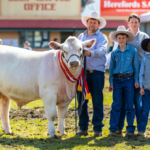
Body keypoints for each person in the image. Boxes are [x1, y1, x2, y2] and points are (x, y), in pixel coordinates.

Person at [113, 14, 149, 134]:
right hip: (126, 73)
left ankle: (140, 128)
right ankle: (119, 127)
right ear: (128, 23)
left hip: (140, 74)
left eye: (136, 22)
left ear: (139, 23)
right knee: (123, 102)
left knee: (137, 102)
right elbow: (115, 52)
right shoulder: (123, 36)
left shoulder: (144, 36)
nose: (134, 24)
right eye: (131, 22)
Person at [76, 11, 108, 137]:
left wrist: (90, 53)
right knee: (82, 101)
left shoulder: (102, 37)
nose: (92, 24)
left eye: (94, 22)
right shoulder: (80, 37)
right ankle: (83, 127)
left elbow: (102, 50)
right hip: (82, 74)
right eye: (90, 22)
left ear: (98, 25)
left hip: (97, 74)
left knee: (97, 101)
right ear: (87, 23)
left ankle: (97, 128)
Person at [109, 26, 139, 136]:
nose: (121, 40)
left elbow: (136, 67)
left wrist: (136, 80)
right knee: (116, 105)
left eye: (123, 38)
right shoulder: (114, 53)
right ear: (116, 39)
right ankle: (113, 128)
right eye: (119, 38)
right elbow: (111, 69)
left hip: (129, 80)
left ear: (126, 38)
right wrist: (111, 83)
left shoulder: (132, 51)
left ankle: (130, 129)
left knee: (129, 105)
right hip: (117, 80)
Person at [138, 38, 150, 137]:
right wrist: (141, 87)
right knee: (144, 109)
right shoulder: (146, 59)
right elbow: (141, 74)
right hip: (147, 89)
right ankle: (141, 130)